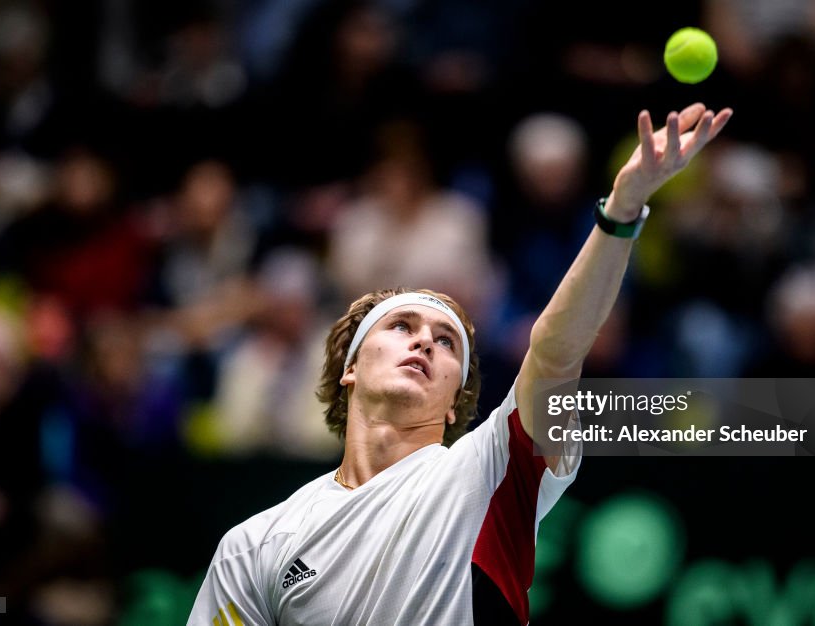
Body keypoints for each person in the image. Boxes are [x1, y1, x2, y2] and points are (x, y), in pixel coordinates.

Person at [187, 103, 732, 625]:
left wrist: (621, 211)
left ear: (455, 405)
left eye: (447, 342)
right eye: (400, 326)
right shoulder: (254, 546)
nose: (424, 340)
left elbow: (557, 347)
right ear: (349, 368)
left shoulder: (487, 472)